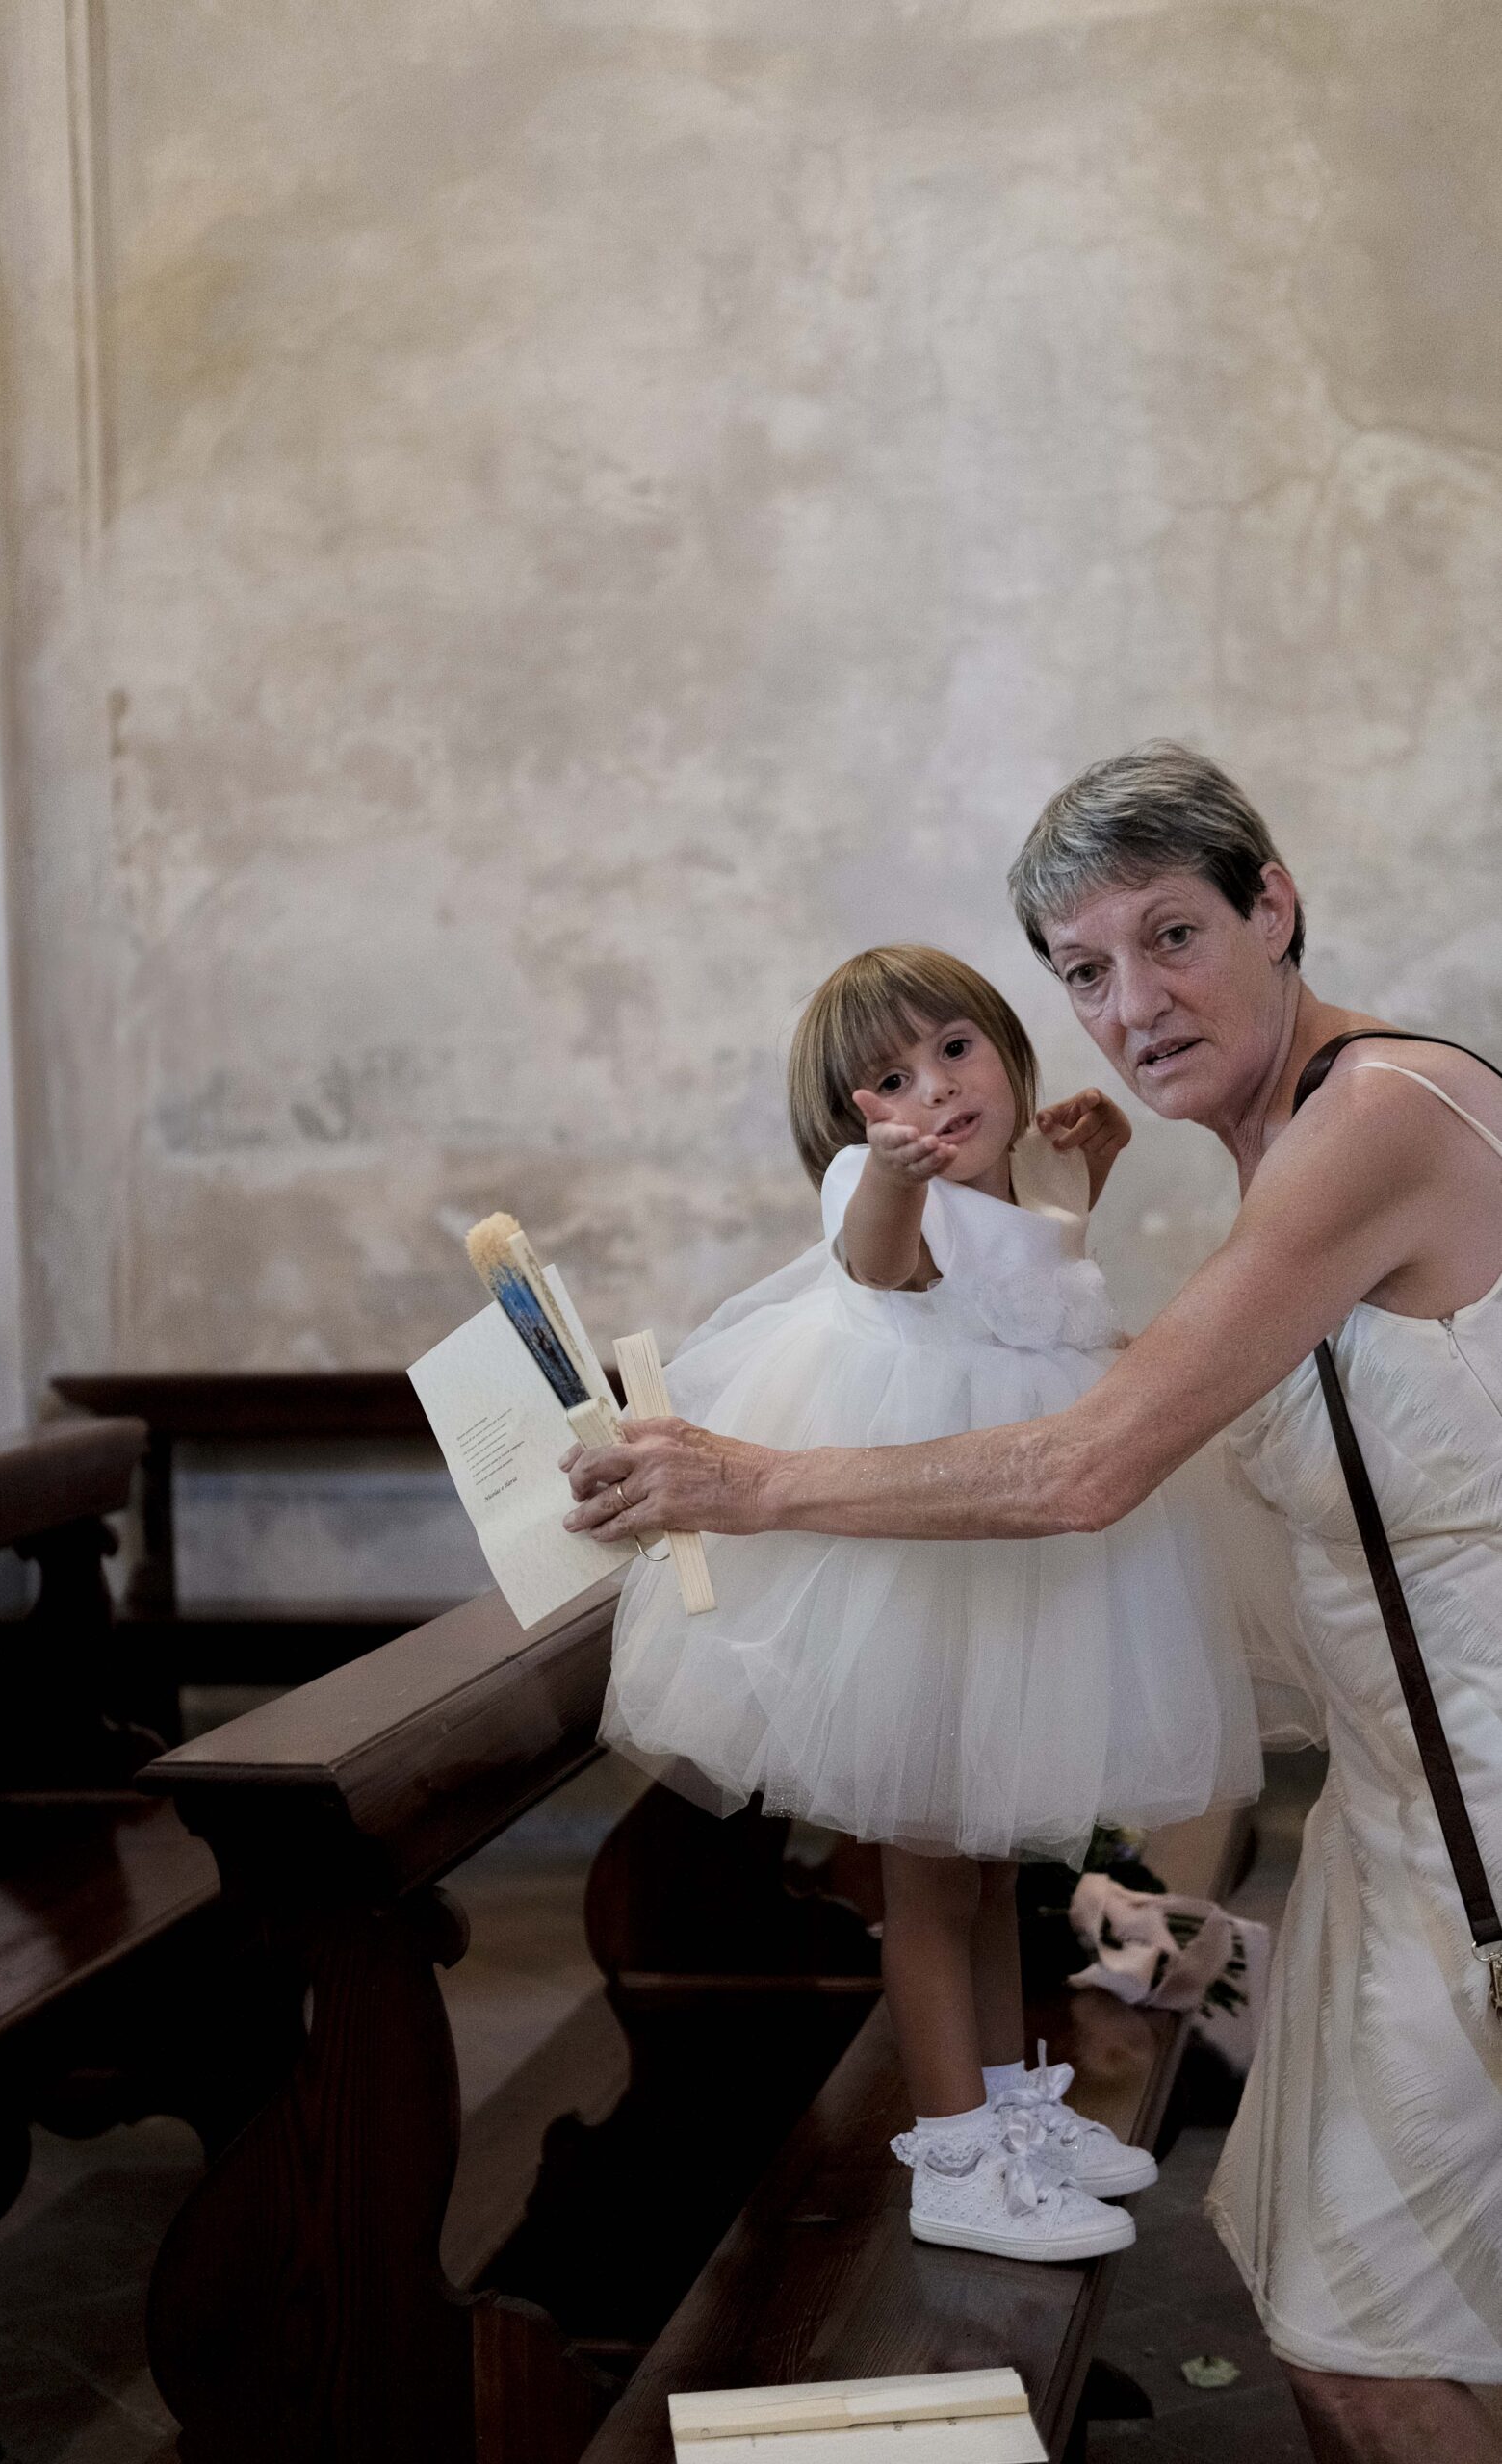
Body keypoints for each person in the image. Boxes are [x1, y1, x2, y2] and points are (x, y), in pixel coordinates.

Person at [565, 744, 1502, 2464]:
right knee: (1343, 2309)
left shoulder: (1372, 1117)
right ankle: (987, 2128)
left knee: (1371, 2339)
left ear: (1273, 906)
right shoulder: (1283, 1139)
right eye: (1085, 970)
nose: (1132, 1005)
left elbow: (1091, 1461)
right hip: (1401, 1815)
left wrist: (752, 1485)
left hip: (1481, 1811)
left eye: (1173, 937)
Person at [599, 941, 1261, 2264]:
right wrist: (895, 1173)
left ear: (1008, 1051)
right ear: (851, 1121)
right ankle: (954, 2153)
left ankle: (1010, 2106)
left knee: (992, 1865)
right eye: (891, 1080)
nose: (937, 1091)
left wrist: (1096, 1159)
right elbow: (879, 1261)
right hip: (918, 1572)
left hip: (1012, 1558)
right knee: (927, 1881)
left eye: (956, 1050)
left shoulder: (1019, 1176)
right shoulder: (878, 1191)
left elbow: (1040, 1275)